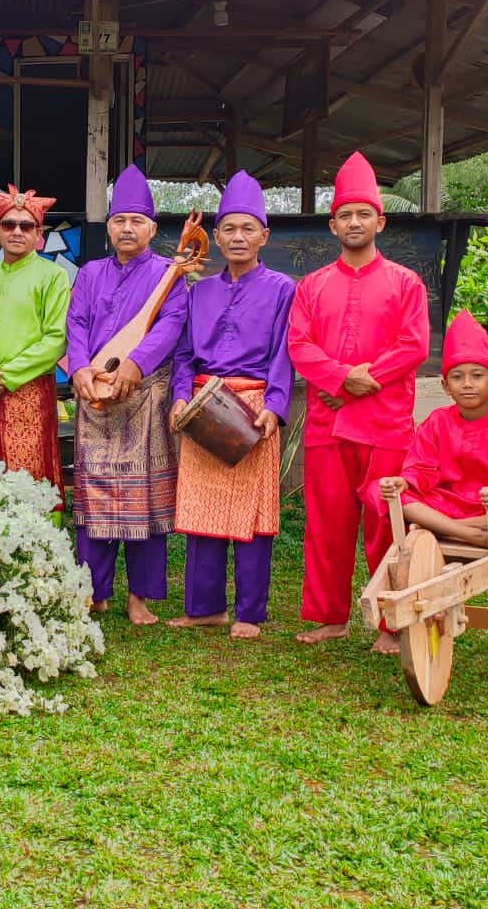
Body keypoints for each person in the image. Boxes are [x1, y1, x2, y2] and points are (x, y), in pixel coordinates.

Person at [286, 151, 429, 652]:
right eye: (345, 214)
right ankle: (330, 617)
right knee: (327, 522)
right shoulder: (312, 285)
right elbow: (299, 346)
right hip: (327, 422)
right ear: (333, 224)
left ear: (379, 221)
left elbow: (414, 345)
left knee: (386, 525)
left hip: (386, 423)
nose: (354, 222)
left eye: (362, 214)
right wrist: (345, 377)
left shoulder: (405, 283)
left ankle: (391, 624)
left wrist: (370, 377)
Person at [167, 171, 295, 639]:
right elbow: (183, 354)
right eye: (229, 229)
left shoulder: (283, 289)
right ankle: (204, 607)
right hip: (203, 404)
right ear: (216, 237)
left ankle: (249, 612)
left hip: (253, 405)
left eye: (248, 229)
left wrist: (275, 406)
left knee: (253, 514)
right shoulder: (198, 291)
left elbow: (285, 350)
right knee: (202, 510)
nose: (238, 238)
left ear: (264, 235)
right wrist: (180, 397)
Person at [67, 165, 187, 626]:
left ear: (153, 228)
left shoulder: (168, 275)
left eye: (137, 221)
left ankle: (141, 597)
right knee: (94, 497)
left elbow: (172, 324)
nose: (127, 229)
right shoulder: (90, 273)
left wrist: (135, 366)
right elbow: (76, 323)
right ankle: (94, 592)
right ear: (109, 227)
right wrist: (79, 367)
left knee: (145, 499)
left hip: (146, 401)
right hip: (95, 397)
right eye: (119, 221)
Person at [375, 310, 488, 552]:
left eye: (477, 376)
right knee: (383, 493)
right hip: (447, 505)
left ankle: (442, 527)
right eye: (457, 377)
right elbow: (421, 469)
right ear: (445, 386)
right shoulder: (436, 422)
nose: (468, 384)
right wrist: (404, 482)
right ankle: (473, 535)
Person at [0, 184, 70, 518]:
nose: (17, 231)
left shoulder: (53, 276)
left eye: (26, 225)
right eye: (9, 224)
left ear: (38, 233)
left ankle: (37, 560)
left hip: (27, 391)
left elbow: (56, 338)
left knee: (29, 475)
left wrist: (8, 376)